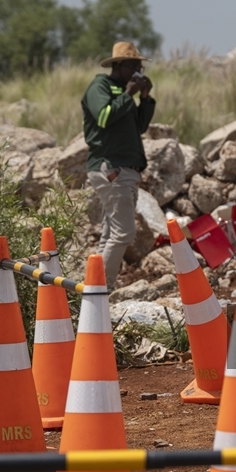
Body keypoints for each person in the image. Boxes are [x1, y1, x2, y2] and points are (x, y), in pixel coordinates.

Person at [82, 41, 155, 291]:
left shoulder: (124, 91)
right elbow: (103, 117)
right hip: (111, 167)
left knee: (111, 232)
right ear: (119, 66)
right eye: (134, 67)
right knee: (123, 233)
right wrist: (128, 95)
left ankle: (94, 287)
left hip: (127, 169)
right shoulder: (101, 86)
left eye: (140, 68)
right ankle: (101, 290)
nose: (138, 73)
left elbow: (139, 127)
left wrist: (144, 100)